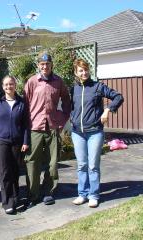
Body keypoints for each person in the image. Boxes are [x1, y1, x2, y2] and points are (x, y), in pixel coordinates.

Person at [70, 58, 123, 208]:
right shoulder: (73, 89)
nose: (84, 72)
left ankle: (93, 195)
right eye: (81, 70)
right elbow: (71, 107)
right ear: (76, 72)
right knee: (81, 165)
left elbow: (118, 97)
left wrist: (107, 110)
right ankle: (82, 194)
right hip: (77, 133)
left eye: (86, 69)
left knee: (93, 165)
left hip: (94, 132)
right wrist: (71, 119)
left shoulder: (97, 86)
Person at [24, 52, 71, 207]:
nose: (45, 66)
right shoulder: (31, 82)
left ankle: (48, 191)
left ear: (51, 65)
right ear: (38, 65)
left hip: (52, 126)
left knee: (53, 162)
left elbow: (66, 100)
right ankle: (33, 193)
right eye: (42, 64)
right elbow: (25, 104)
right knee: (32, 161)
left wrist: (63, 118)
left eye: (47, 64)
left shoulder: (58, 82)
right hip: (35, 127)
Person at [0, 76, 29, 214]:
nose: (8, 87)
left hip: (17, 143)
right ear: (2, 86)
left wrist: (25, 141)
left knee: (15, 171)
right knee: (5, 172)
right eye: (6, 84)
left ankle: (15, 197)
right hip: (1, 142)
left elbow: (25, 125)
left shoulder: (21, 103)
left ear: (15, 85)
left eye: (11, 84)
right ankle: (7, 202)